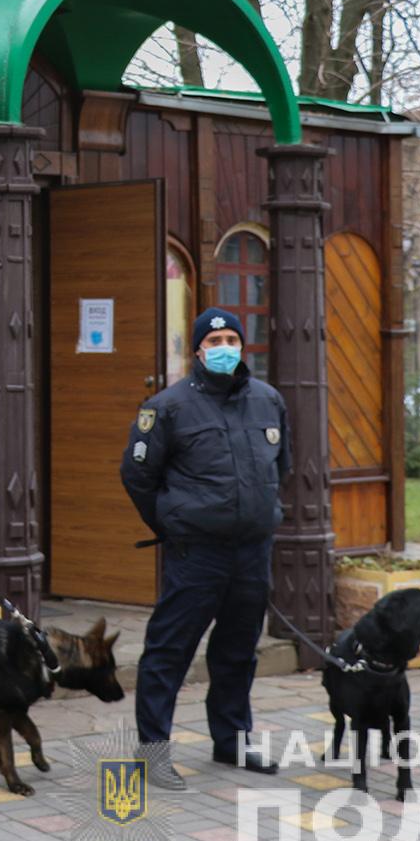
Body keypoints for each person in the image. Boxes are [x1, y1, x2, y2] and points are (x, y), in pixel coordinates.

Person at [120, 306, 292, 788]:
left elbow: (282, 467)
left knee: (238, 650)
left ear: (243, 346)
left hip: (251, 551)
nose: (224, 350)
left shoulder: (268, 400)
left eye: (231, 341)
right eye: (213, 343)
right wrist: (172, 522)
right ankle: (152, 752)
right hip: (197, 553)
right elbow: (137, 474)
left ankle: (232, 739)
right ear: (197, 350)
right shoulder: (168, 407)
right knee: (169, 651)